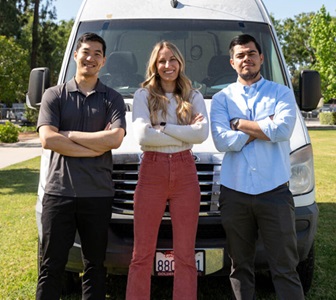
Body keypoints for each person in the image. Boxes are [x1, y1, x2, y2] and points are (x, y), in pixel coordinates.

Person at [210, 34, 305, 300]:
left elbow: (283, 129)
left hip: (274, 191)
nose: (246, 59)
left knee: (285, 267)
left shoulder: (281, 92)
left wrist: (238, 124)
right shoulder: (221, 99)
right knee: (240, 267)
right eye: (240, 55)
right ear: (232, 62)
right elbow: (221, 141)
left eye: (251, 53)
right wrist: (264, 126)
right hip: (235, 193)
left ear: (261, 58)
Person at [36, 32, 126, 300]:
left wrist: (70, 135)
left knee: (95, 267)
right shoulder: (54, 95)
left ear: (104, 61)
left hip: (97, 195)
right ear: (76, 55)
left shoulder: (112, 98)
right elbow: (47, 139)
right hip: (58, 193)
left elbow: (116, 139)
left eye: (97, 54)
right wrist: (95, 148)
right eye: (86, 52)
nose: (91, 58)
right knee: (51, 266)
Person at [126, 41, 209, 300]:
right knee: (141, 253)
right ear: (154, 65)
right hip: (152, 171)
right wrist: (185, 134)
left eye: (172, 60)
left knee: (185, 254)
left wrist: (162, 127)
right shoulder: (143, 96)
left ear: (180, 62)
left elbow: (202, 134)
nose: (167, 65)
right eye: (162, 61)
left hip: (186, 172)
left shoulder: (193, 96)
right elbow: (142, 137)